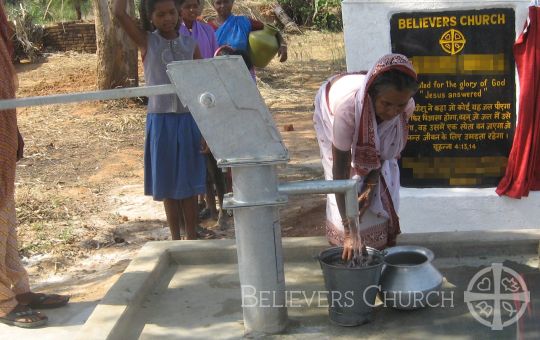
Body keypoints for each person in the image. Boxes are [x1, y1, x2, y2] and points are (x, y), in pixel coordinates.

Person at [0, 0, 69, 328]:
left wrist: (15, 130)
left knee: (7, 214)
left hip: (4, 130)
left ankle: (18, 290)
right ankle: (2, 301)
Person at [114, 0, 206, 240]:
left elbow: (202, 88)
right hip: (161, 121)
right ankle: (176, 238)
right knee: (167, 184)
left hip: (188, 120)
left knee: (188, 184)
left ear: (178, 13)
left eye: (172, 13)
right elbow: (119, 14)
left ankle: (192, 237)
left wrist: (206, 128)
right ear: (151, 17)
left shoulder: (190, 45)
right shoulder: (147, 42)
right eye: (161, 14)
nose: (167, 18)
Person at [313, 54, 419, 261]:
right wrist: (349, 229)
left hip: (360, 113)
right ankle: (344, 241)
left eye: (399, 105)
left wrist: (370, 183)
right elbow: (339, 175)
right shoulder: (348, 110)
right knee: (351, 180)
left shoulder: (406, 107)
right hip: (331, 107)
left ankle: (377, 248)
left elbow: (384, 152)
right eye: (386, 104)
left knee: (382, 182)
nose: (393, 112)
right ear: (371, 95)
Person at [179, 0, 228, 229]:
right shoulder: (173, 33)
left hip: (208, 98)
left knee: (214, 159)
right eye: (187, 6)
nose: (192, 10)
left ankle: (222, 209)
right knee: (197, 158)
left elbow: (215, 60)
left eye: (195, 5)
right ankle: (208, 204)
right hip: (185, 102)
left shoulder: (207, 31)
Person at [208, 0, 287, 73]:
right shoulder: (207, 28)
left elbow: (271, 30)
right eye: (218, 3)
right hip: (217, 74)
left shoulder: (244, 22)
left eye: (226, 2)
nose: (222, 5)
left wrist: (282, 44)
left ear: (232, 2)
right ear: (213, 5)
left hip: (244, 73)